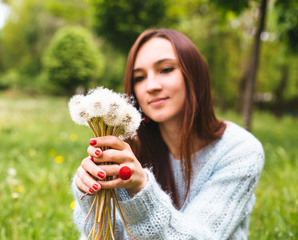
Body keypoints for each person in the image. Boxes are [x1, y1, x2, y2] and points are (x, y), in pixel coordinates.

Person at [71, 28, 264, 239]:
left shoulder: (239, 150)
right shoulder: (130, 153)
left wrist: (141, 189)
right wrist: (91, 194)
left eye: (166, 69)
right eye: (139, 78)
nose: (151, 86)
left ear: (195, 75)